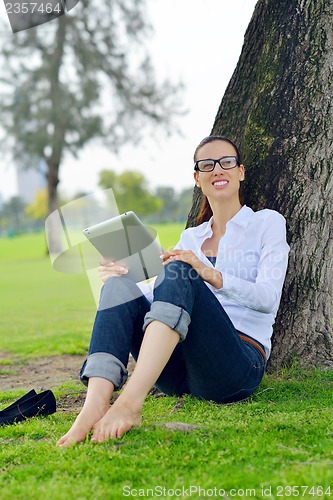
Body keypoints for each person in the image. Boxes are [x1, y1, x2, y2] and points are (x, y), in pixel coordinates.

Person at [57, 135, 290, 447]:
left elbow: (268, 299)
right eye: (207, 165)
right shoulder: (191, 238)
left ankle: (129, 404)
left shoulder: (266, 223)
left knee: (181, 270)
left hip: (235, 364)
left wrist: (209, 273)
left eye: (227, 163)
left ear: (240, 172)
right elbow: (163, 300)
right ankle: (95, 404)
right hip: (179, 370)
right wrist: (123, 276)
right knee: (119, 286)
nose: (217, 169)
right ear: (197, 178)